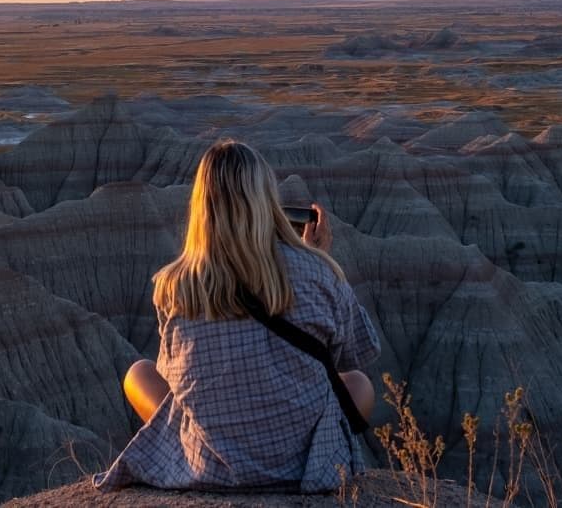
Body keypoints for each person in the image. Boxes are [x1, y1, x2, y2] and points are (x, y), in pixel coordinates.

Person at [95, 140, 380, 493]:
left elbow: (174, 378)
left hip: (210, 464)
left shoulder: (174, 284)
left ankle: (201, 455)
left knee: (139, 374)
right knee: (359, 384)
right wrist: (315, 257)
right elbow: (350, 357)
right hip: (301, 462)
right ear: (267, 202)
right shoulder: (317, 271)